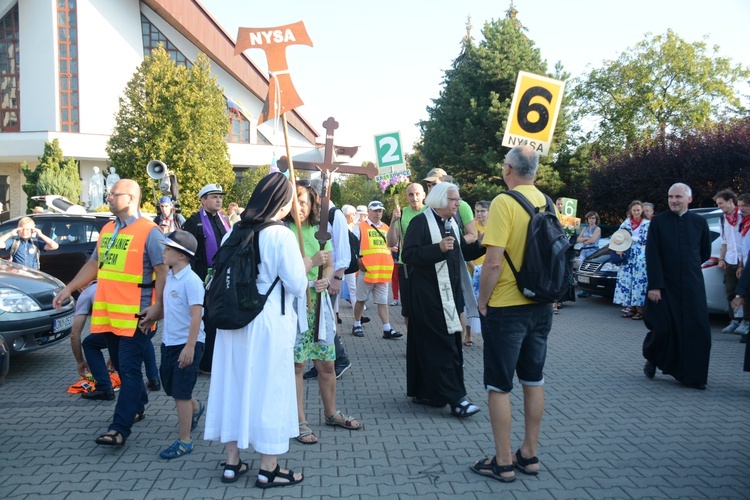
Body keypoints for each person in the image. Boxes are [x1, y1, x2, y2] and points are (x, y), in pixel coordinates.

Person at [204, 172, 306, 488]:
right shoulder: (282, 235)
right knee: (269, 389)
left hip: (232, 322)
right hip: (267, 322)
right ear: (282, 200)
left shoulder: (233, 232)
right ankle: (268, 468)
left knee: (233, 386)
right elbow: (298, 285)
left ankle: (232, 463)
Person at [52, 179, 166, 447]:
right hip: (108, 316)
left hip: (137, 318)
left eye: (113, 194)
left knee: (128, 371)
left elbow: (162, 271)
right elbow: (94, 263)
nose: (108, 197)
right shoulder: (108, 228)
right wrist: (69, 289)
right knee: (126, 371)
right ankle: (138, 405)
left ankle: (119, 428)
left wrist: (158, 307)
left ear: (130, 198)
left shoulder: (151, 232)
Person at [474, 145, 553, 483]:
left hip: (507, 306)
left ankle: (503, 462)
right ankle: (530, 454)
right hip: (541, 305)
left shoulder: (504, 203)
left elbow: (492, 261)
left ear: (508, 168)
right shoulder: (546, 201)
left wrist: (482, 302)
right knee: (533, 380)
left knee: (499, 386)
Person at [287, 181, 363, 445]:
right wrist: (309, 268)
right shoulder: (282, 230)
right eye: (295, 202)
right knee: (296, 365)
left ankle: (331, 413)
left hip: (318, 304)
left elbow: (328, 263)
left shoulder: (320, 231)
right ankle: (298, 421)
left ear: (313, 204)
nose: (300, 208)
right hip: (293, 304)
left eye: (304, 202)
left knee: (326, 363)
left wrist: (326, 279)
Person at [402, 182, 485, 417]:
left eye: (458, 199)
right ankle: (457, 398)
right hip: (427, 295)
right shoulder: (420, 222)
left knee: (431, 343)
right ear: (440, 201)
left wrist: (482, 245)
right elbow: (408, 255)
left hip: (448, 295)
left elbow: (460, 253)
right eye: (453, 199)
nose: (458, 203)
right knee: (444, 345)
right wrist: (436, 248)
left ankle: (427, 391)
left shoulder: (451, 224)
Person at [643, 183, 711, 390]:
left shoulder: (700, 222)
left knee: (697, 330)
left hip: (692, 285)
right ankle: (653, 356)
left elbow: (704, 253)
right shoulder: (658, 222)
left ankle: (693, 376)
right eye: (671, 196)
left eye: (678, 197)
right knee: (662, 328)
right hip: (664, 285)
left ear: (689, 199)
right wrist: (655, 285)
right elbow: (652, 255)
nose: (674, 200)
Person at [157, 230, 206, 459]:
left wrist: (190, 346)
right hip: (169, 342)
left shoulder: (192, 281)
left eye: (168, 249)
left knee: (181, 393)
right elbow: (167, 308)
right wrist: (151, 316)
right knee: (170, 387)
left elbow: (196, 316)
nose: (164, 252)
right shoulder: (169, 276)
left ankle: (185, 440)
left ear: (183, 256)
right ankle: (196, 408)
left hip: (188, 344)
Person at [302, 178, 352, 381]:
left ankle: (339, 360)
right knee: (318, 323)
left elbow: (342, 247)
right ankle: (319, 363)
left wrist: (337, 277)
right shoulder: (317, 215)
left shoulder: (334, 213)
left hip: (329, 277)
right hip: (317, 277)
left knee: (325, 322)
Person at [74, 281, 160, 400]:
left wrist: (80, 361)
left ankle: (105, 387)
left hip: (118, 330)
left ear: (82, 286)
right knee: (143, 338)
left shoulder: (87, 293)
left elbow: (75, 334)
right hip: (145, 323)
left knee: (89, 343)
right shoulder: (116, 283)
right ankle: (154, 379)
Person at [182, 183, 230, 375]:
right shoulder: (194, 221)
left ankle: (217, 359)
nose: (218, 200)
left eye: (220, 197)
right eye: (213, 197)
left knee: (219, 318)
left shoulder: (223, 219)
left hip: (221, 277)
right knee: (206, 320)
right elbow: (188, 252)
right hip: (202, 277)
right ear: (203, 200)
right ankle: (205, 363)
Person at [352, 200, 401, 339]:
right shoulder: (360, 227)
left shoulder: (386, 227)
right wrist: (359, 262)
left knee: (383, 302)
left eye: (380, 211)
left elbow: (390, 245)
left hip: (382, 272)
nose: (378, 214)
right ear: (368, 211)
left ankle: (387, 328)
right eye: (375, 211)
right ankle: (356, 324)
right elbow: (354, 247)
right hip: (367, 271)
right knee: (361, 300)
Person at [386, 183, 427, 324]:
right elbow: (391, 242)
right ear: (406, 197)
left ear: (424, 195)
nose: (414, 197)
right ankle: (412, 342)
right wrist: (393, 221)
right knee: (408, 309)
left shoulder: (431, 212)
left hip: (426, 265)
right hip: (406, 267)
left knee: (426, 306)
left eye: (417, 194)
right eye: (410, 194)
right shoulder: (402, 213)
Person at [714, 190, 749, 335]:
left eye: (721, 203)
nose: (719, 206)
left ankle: (746, 321)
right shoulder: (722, 219)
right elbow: (724, 242)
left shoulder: (743, 217)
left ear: (730, 201)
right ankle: (735, 319)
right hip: (730, 259)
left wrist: (741, 264)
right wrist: (721, 259)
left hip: (744, 261)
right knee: (731, 292)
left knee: (744, 293)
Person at [613, 201, 650, 320]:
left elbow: (648, 239)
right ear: (631, 211)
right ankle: (631, 308)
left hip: (640, 257)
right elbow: (618, 237)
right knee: (628, 282)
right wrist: (618, 249)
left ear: (642, 210)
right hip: (627, 255)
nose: (636, 212)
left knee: (639, 283)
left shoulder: (647, 224)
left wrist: (636, 239)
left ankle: (640, 309)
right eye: (634, 210)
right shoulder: (625, 223)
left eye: (638, 210)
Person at [466, 200, 490, 345]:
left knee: (487, 304)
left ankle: (487, 335)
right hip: (473, 270)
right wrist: (474, 266)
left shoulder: (494, 227)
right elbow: (466, 251)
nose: (479, 214)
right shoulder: (472, 228)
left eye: (483, 211)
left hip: (488, 272)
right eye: (477, 211)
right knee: (470, 304)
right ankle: (467, 335)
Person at [576, 211, 602, 298]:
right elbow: (578, 239)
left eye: (593, 218)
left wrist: (585, 240)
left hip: (592, 251)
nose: (591, 220)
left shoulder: (597, 229)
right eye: (590, 218)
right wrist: (587, 238)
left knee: (590, 271)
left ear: (596, 219)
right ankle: (584, 289)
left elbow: (593, 241)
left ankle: (589, 290)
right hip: (584, 251)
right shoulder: (585, 229)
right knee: (582, 271)